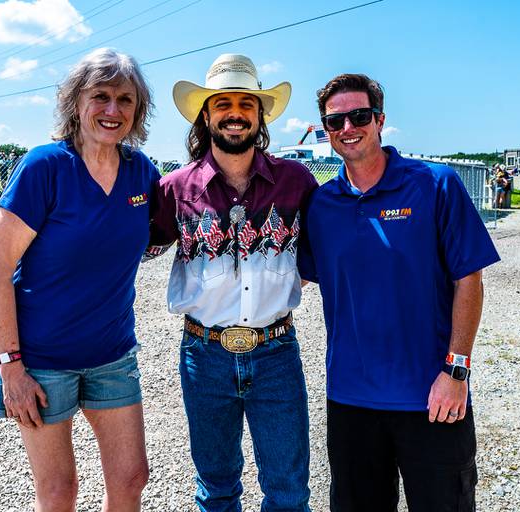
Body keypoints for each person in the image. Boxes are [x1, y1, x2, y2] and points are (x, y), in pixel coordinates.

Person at [298, 74, 500, 511]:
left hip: (432, 395)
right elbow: (290, 278)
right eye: (336, 121)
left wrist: (457, 372)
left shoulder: (435, 185)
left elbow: (470, 279)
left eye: (359, 116)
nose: (348, 127)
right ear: (326, 129)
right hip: (350, 400)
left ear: (380, 120)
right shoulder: (321, 206)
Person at [0, 48, 159, 512]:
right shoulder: (45, 168)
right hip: (41, 362)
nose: (112, 110)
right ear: (75, 102)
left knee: (132, 476)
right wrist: (10, 368)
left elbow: (168, 230)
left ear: (138, 109)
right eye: (100, 96)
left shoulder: (144, 174)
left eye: (125, 99)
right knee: (58, 492)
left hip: (113, 356)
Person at [146, 54, 318, 511]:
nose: (235, 113)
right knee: (216, 489)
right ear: (206, 115)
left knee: (288, 491)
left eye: (246, 103)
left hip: (276, 353)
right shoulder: (175, 189)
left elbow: (324, 252)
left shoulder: (295, 182)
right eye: (223, 103)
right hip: (204, 356)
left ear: (260, 115)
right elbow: (134, 245)